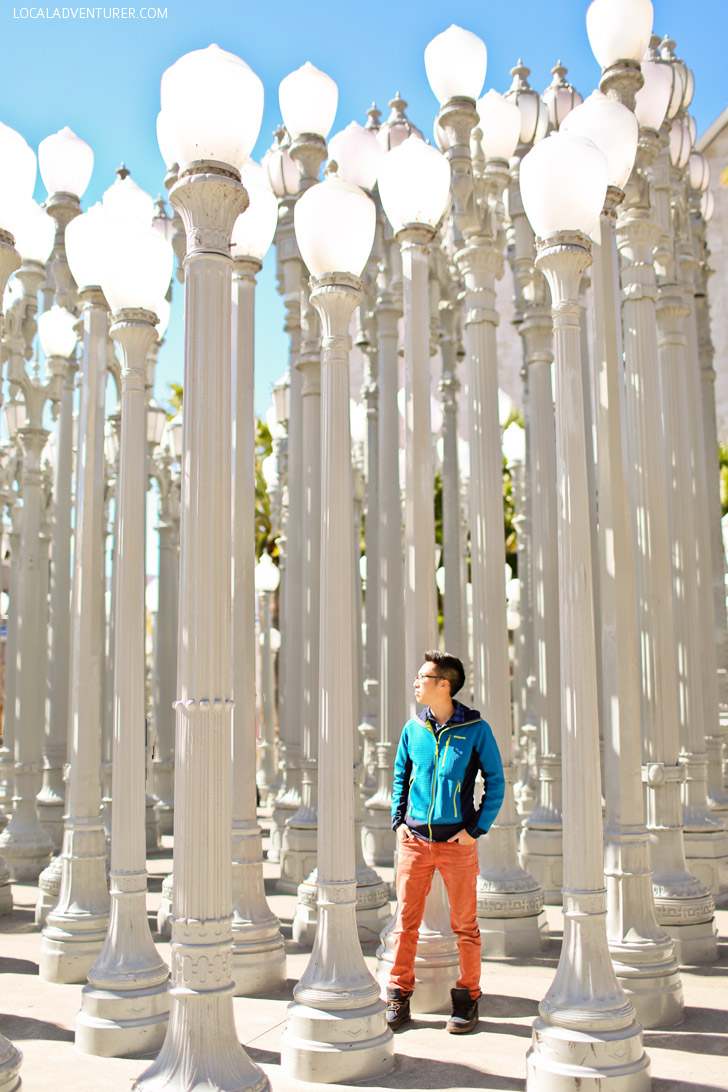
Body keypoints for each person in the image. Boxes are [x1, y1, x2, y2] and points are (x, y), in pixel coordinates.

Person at [386, 650, 505, 1035]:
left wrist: (474, 831)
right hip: (415, 842)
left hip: (457, 844)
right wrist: (398, 822)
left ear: (444, 685)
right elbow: (400, 776)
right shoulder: (412, 729)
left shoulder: (476, 729)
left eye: (423, 677)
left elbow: (496, 782)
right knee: (406, 924)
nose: (416, 682)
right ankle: (399, 993)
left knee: (465, 926)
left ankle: (467, 997)